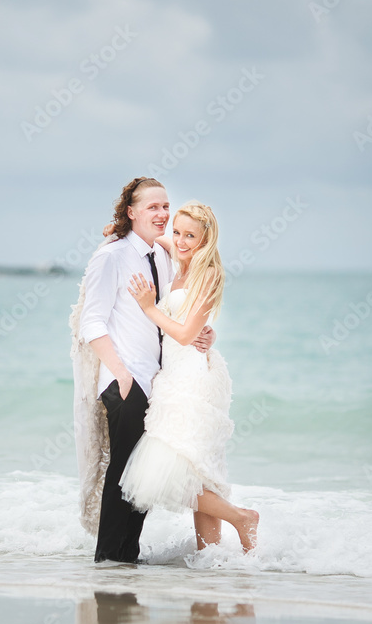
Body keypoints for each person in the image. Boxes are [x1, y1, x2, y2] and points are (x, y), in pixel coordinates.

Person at [71, 178, 215, 564]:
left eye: (165, 206)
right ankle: (106, 561)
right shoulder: (112, 256)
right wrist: (120, 375)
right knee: (121, 475)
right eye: (153, 207)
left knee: (139, 479)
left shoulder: (162, 256)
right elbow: (92, 323)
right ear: (131, 212)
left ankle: (125, 560)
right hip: (125, 381)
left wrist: (203, 334)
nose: (162, 213)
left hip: (155, 385)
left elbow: (176, 313)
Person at [120, 200, 259, 552]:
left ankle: (242, 517)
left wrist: (149, 308)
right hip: (175, 374)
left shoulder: (207, 272)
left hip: (193, 378)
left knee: (170, 473)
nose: (180, 241)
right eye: (177, 232)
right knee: (197, 470)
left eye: (190, 236)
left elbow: (184, 334)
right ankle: (209, 561)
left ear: (206, 238)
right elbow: (157, 239)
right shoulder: (180, 260)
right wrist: (119, 228)